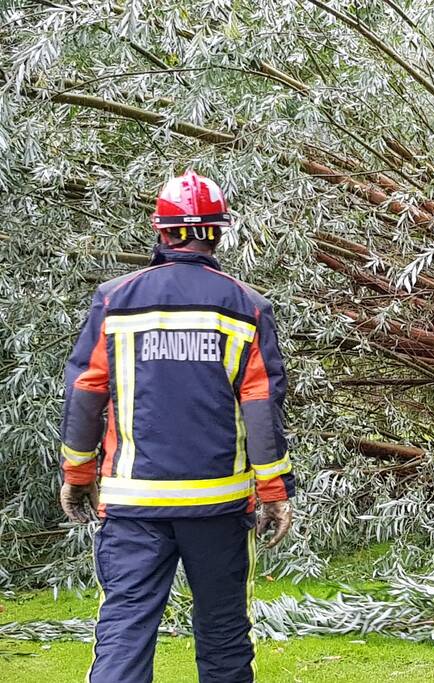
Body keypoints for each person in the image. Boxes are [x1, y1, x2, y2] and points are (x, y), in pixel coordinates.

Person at [59, 170, 296, 683]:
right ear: (217, 232)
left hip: (133, 505)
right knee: (224, 636)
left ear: (161, 231)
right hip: (218, 506)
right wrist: (275, 491)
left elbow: (85, 393)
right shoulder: (246, 306)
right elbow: (261, 404)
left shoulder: (114, 299)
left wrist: (77, 475)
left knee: (123, 632)